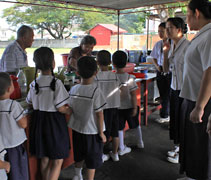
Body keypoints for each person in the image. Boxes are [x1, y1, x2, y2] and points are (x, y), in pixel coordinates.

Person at [26, 47, 71, 180]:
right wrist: (71, 110)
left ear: (36, 65)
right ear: (53, 63)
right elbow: (61, 108)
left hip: (39, 123)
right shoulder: (56, 83)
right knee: (58, 160)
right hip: (54, 123)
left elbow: (30, 103)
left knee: (44, 158)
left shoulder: (34, 84)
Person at [179, 0, 211, 179]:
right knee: (192, 143)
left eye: (188, 15)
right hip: (193, 98)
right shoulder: (202, 35)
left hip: (202, 101)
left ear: (196, 13)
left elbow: (210, 71)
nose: (187, 20)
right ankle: (193, 175)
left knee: (200, 146)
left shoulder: (209, 36)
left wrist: (199, 106)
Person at [68, 56, 106, 180]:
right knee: (92, 159)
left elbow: (70, 109)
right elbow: (99, 114)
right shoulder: (96, 91)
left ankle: (77, 175)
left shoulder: (73, 89)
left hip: (77, 129)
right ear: (96, 72)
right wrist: (101, 133)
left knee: (78, 154)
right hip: (92, 131)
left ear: (77, 73)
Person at [162, 17, 189, 164]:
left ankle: (183, 152)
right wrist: (165, 53)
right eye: (166, 28)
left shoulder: (188, 46)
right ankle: (177, 147)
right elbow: (166, 70)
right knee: (175, 120)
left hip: (185, 90)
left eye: (170, 28)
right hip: (174, 88)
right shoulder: (171, 45)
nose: (167, 31)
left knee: (183, 121)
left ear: (179, 30)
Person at [112, 50, 144, 156]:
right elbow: (134, 95)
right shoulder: (130, 77)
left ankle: (121, 147)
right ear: (126, 63)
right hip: (130, 106)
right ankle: (140, 142)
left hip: (117, 107)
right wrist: (135, 108)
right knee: (135, 125)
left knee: (119, 128)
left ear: (113, 63)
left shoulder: (112, 78)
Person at [0, 72, 28, 180]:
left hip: (1, 147)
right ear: (9, 89)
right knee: (18, 173)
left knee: (6, 174)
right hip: (14, 146)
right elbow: (23, 124)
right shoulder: (13, 105)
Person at [95, 50, 120, 162]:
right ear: (110, 62)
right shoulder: (115, 76)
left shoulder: (95, 77)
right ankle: (115, 154)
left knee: (102, 132)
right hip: (114, 107)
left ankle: (100, 155)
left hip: (102, 108)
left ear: (97, 62)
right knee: (115, 132)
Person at [150, 22, 171, 123]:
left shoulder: (173, 44)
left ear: (167, 31)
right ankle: (164, 115)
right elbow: (153, 57)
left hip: (170, 72)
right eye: (158, 31)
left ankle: (167, 115)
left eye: (162, 31)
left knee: (169, 94)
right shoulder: (158, 44)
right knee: (162, 95)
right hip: (160, 71)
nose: (160, 33)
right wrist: (157, 66)